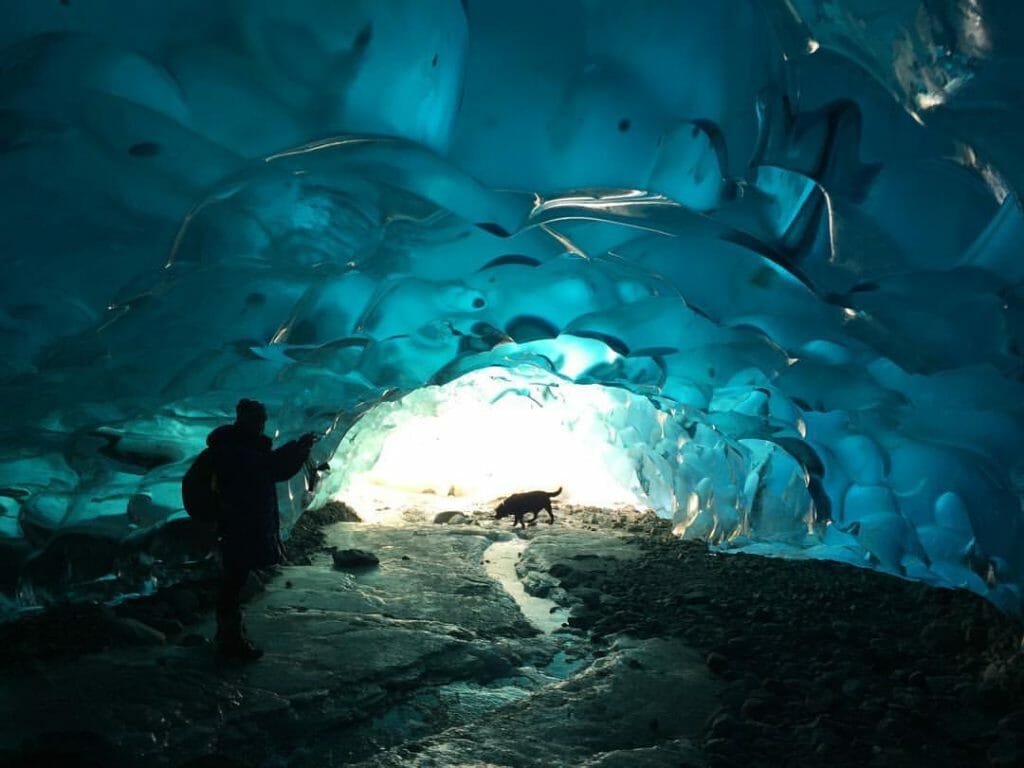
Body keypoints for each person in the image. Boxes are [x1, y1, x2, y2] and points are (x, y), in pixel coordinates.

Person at [206, 398, 316, 660]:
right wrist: (298, 449)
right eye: (258, 419)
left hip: (240, 523)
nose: (261, 424)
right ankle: (231, 641)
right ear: (244, 419)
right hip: (238, 525)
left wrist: (297, 450)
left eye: (262, 419)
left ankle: (228, 634)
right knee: (234, 580)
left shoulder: (236, 445)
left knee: (235, 579)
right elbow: (271, 468)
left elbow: (272, 468)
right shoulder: (235, 449)